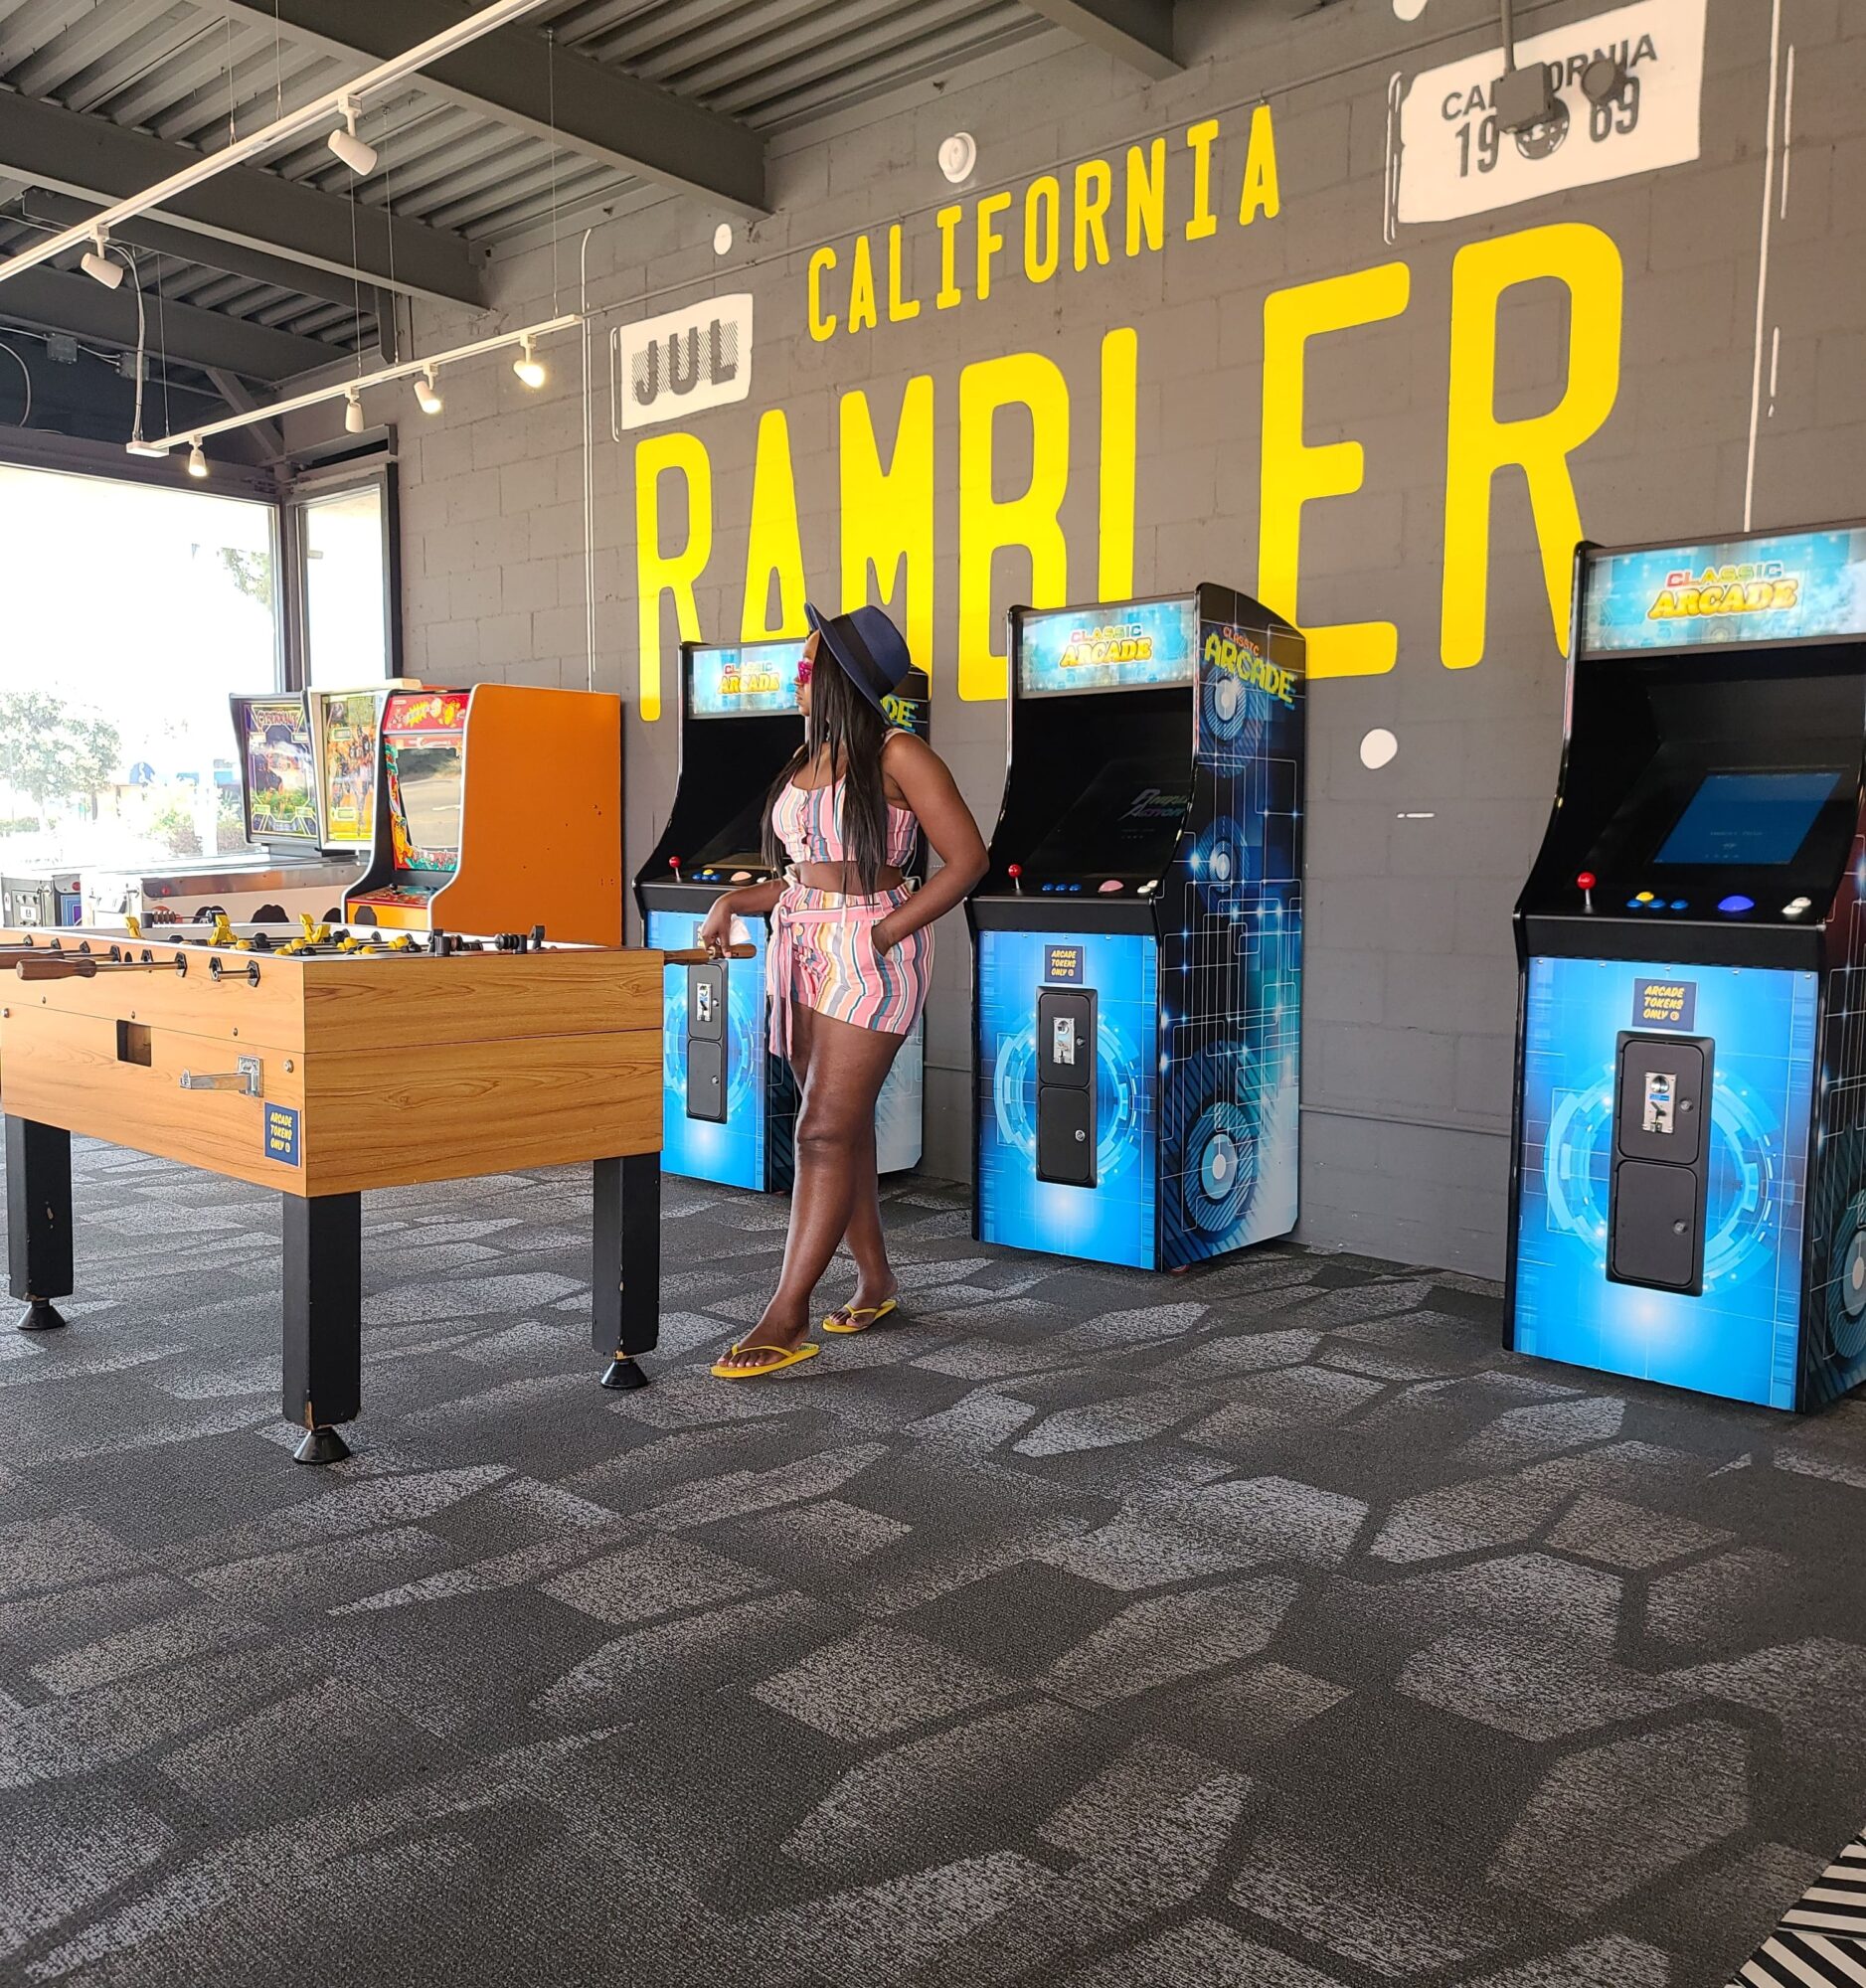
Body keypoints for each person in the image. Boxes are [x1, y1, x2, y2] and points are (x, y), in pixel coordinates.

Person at [697, 602, 987, 1378]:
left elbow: (966, 861)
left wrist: (886, 932)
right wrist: (732, 902)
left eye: (803, 664)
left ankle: (784, 1317)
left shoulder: (900, 756)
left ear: (834, 677)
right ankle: (876, 1278)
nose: (793, 677)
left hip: (869, 951)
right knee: (841, 1126)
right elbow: (802, 877)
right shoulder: (802, 757)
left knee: (821, 1131)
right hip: (801, 940)